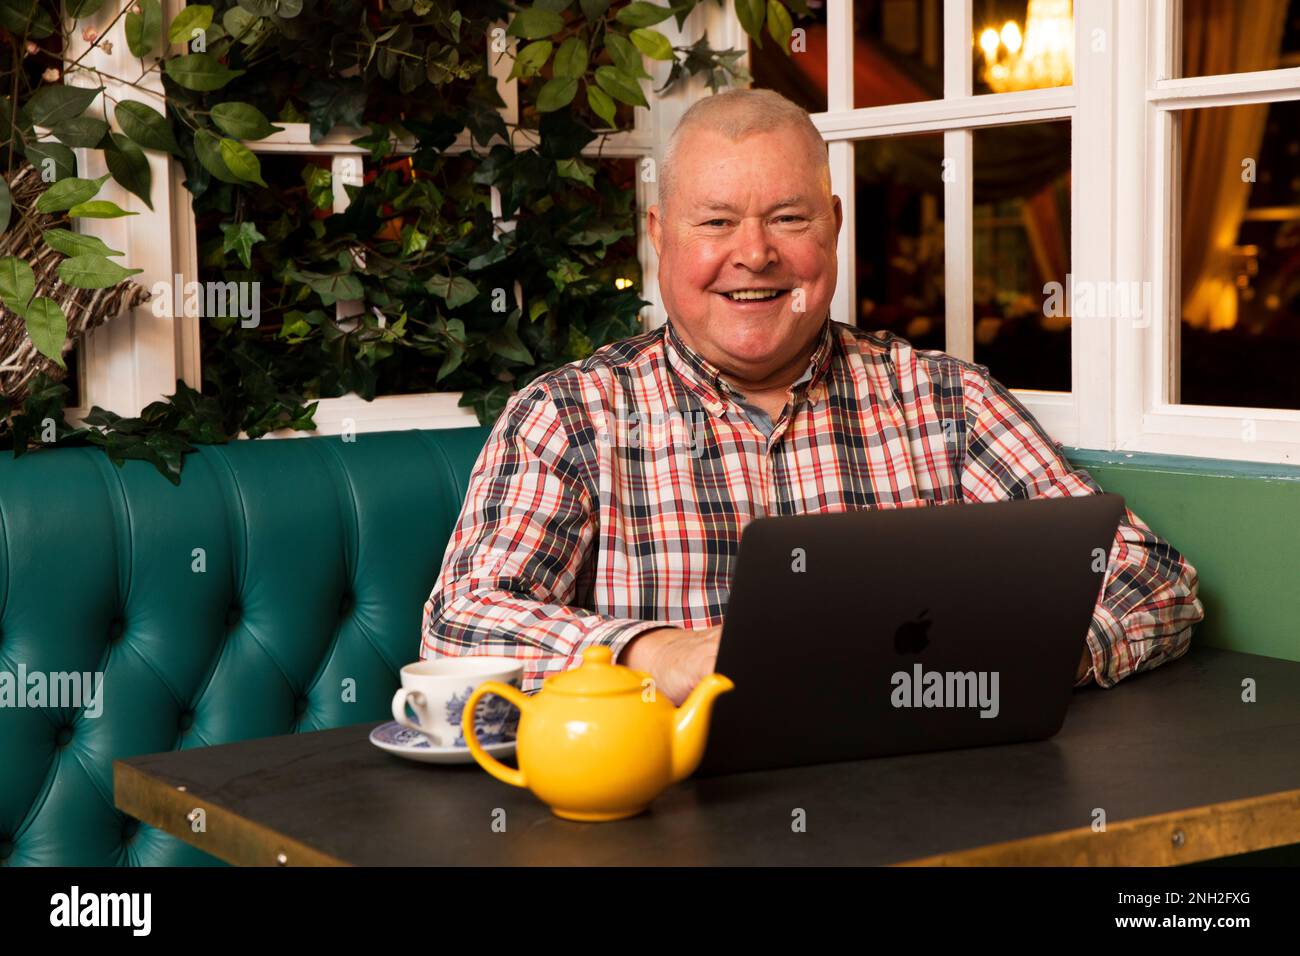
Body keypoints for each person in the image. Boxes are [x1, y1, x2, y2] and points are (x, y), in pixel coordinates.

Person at [421, 88, 1204, 705]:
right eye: (716, 222)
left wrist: (1015, 661)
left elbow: (1151, 577)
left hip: (920, 806)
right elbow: (460, 626)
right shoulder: (569, 417)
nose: (754, 254)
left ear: (831, 225)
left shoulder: (945, 401)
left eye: (788, 218)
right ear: (659, 234)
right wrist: (653, 653)